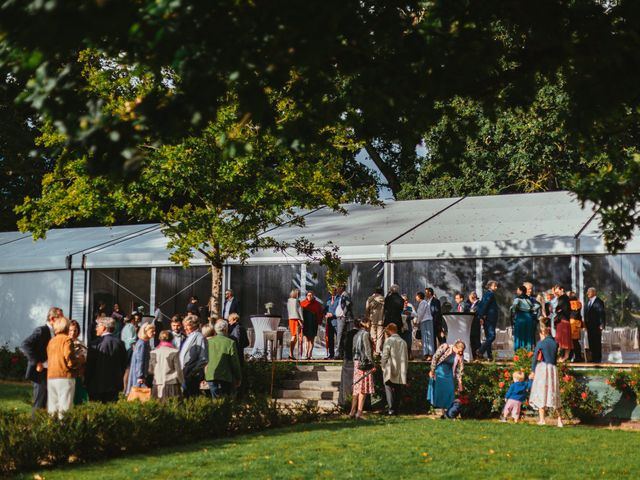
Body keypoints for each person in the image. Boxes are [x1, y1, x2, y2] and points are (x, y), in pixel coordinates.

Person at [21, 306, 63, 416]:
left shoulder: (57, 332)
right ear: (53, 319)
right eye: (60, 318)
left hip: (51, 372)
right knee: (39, 402)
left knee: (49, 403)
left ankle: (45, 428)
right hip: (40, 373)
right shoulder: (42, 330)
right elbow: (25, 344)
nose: (63, 321)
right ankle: (35, 428)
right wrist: (36, 362)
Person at [529, 317, 563, 427]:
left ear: (542, 331)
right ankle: (559, 420)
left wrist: (533, 371)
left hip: (543, 369)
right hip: (553, 369)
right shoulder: (555, 343)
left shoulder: (541, 344)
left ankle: (542, 419)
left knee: (541, 393)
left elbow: (535, 359)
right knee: (554, 393)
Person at [85, 317, 128, 402]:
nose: (95, 328)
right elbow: (124, 364)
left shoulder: (95, 344)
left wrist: (86, 382)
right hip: (115, 384)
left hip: (96, 384)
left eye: (98, 326)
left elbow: (90, 365)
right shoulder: (120, 343)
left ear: (104, 327)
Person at [46, 316, 78, 417]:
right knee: (65, 408)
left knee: (52, 408)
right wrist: (79, 361)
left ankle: (51, 429)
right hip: (65, 376)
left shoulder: (51, 341)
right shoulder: (67, 340)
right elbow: (69, 359)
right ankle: (63, 430)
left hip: (51, 376)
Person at [427, 340, 465, 418]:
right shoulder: (445, 347)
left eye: (462, 351)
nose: (461, 353)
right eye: (459, 351)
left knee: (450, 390)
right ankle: (441, 411)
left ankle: (448, 412)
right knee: (440, 392)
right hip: (439, 372)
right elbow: (435, 358)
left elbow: (459, 370)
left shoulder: (460, 356)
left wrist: (460, 383)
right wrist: (432, 370)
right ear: (455, 347)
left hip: (449, 373)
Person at [205, 320, 242, 398]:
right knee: (226, 400)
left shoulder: (208, 342)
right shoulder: (230, 343)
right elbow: (235, 362)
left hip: (211, 374)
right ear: (226, 329)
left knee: (215, 399)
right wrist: (238, 377)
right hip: (225, 375)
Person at [380, 323, 408, 416]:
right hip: (400, 369)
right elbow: (406, 358)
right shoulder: (403, 342)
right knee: (397, 389)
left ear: (390, 330)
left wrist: (383, 366)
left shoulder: (389, 341)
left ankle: (391, 409)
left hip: (390, 368)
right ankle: (396, 410)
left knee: (388, 387)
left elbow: (384, 356)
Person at [350, 318, 375, 420]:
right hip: (364, 363)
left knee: (356, 388)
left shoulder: (356, 335)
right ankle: (359, 412)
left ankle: (352, 411)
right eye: (369, 322)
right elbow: (368, 350)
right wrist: (372, 363)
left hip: (356, 362)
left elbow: (354, 349)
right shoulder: (365, 334)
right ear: (365, 324)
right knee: (363, 389)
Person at [149, 330, 184, 400]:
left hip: (157, 383)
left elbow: (151, 370)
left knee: (157, 407)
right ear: (171, 339)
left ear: (159, 338)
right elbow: (178, 370)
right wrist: (182, 382)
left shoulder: (153, 352)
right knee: (173, 407)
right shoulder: (175, 352)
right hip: (172, 384)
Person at [179, 315, 208, 397]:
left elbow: (204, 358)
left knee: (190, 397)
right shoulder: (190, 337)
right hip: (185, 373)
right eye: (184, 326)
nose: (184, 328)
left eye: (187, 326)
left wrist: (193, 372)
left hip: (191, 375)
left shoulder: (199, 337)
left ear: (193, 325)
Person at [125, 323, 155, 395]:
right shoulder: (142, 344)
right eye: (152, 331)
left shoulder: (144, 342)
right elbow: (140, 360)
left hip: (140, 373)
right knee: (138, 395)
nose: (154, 333)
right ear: (145, 331)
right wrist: (140, 376)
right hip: (139, 375)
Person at [476, 280, 499, 360]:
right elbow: (484, 305)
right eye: (494, 285)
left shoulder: (487, 294)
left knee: (489, 336)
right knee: (492, 336)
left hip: (487, 318)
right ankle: (480, 350)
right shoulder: (490, 294)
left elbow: (482, 305)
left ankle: (489, 356)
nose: (496, 287)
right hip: (489, 318)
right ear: (490, 286)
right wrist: (482, 316)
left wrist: (481, 316)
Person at [68, 320, 89, 405]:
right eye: (70, 330)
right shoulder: (63, 342)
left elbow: (84, 358)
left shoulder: (80, 343)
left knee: (78, 400)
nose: (72, 333)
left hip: (78, 375)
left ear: (78, 331)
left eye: (75, 330)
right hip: (66, 375)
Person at [584, 287, 606, 363]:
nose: (587, 293)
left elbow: (601, 313)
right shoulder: (588, 302)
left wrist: (602, 324)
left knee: (596, 342)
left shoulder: (599, 302)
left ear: (594, 292)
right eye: (587, 292)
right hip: (589, 326)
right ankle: (593, 358)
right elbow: (586, 313)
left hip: (596, 325)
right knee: (591, 342)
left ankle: (597, 359)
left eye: (589, 292)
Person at [511, 285, 536, 351]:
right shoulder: (529, 299)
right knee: (528, 335)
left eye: (517, 290)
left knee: (519, 335)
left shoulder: (517, 299)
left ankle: (519, 353)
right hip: (529, 318)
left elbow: (514, 307)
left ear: (520, 291)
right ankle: (528, 353)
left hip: (520, 317)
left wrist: (513, 311)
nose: (517, 291)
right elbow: (535, 307)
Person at [301, 290, 324, 359]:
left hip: (314, 323)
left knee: (311, 339)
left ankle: (310, 354)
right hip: (306, 324)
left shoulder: (317, 304)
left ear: (313, 296)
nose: (309, 296)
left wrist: (319, 321)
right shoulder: (303, 303)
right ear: (306, 296)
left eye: (311, 295)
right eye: (308, 295)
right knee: (306, 339)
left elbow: (320, 313)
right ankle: (305, 354)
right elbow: (300, 314)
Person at [335, 284, 355, 359]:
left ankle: (338, 354)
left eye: (338, 288)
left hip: (342, 318)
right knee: (341, 336)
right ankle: (341, 353)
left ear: (341, 288)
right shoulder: (341, 295)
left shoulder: (345, 294)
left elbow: (348, 304)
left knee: (340, 335)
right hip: (340, 318)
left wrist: (344, 313)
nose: (337, 290)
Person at [554, 285, 572, 361]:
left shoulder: (564, 298)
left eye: (557, 291)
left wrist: (557, 310)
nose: (556, 293)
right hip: (562, 320)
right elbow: (558, 309)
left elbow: (559, 309)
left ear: (562, 290)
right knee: (562, 340)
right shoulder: (562, 298)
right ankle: (564, 356)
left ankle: (565, 356)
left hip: (563, 321)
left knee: (564, 340)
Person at [415, 291, 433, 361]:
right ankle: (426, 354)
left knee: (428, 338)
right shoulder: (423, 303)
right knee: (425, 338)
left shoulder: (423, 303)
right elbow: (419, 313)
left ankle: (429, 354)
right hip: (424, 321)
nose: (415, 297)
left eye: (416, 296)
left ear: (419, 297)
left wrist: (417, 321)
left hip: (426, 321)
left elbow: (421, 313)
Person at [324, 288, 341, 359]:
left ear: (336, 291)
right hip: (329, 323)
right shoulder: (328, 300)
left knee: (338, 339)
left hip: (337, 322)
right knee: (330, 339)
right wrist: (325, 314)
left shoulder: (339, 299)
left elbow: (341, 310)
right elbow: (325, 309)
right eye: (330, 290)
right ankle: (331, 354)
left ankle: (339, 354)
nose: (332, 292)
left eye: (333, 290)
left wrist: (333, 315)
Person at [287, 288, 304, 360]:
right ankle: (291, 353)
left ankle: (291, 354)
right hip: (296, 320)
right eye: (298, 293)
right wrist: (300, 321)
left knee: (294, 336)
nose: (299, 294)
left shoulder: (289, 301)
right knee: (294, 336)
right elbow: (297, 311)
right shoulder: (296, 301)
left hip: (291, 319)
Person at [568, 291, 584, 362]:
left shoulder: (571, 304)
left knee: (572, 341)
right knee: (575, 341)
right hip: (577, 323)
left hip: (572, 323)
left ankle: (574, 356)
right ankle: (578, 356)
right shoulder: (579, 303)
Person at [467, 292, 481, 359]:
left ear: (473, 297)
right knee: (472, 339)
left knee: (476, 340)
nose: (469, 299)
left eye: (469, 298)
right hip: (471, 324)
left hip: (476, 323)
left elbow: (476, 312)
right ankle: (474, 355)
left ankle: (478, 355)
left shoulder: (479, 303)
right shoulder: (472, 304)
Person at [401, 294, 414, 358]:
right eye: (404, 300)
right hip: (401, 328)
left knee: (409, 342)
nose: (406, 302)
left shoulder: (409, 308)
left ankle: (409, 354)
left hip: (408, 328)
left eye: (407, 300)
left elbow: (412, 317)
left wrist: (407, 315)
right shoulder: (398, 308)